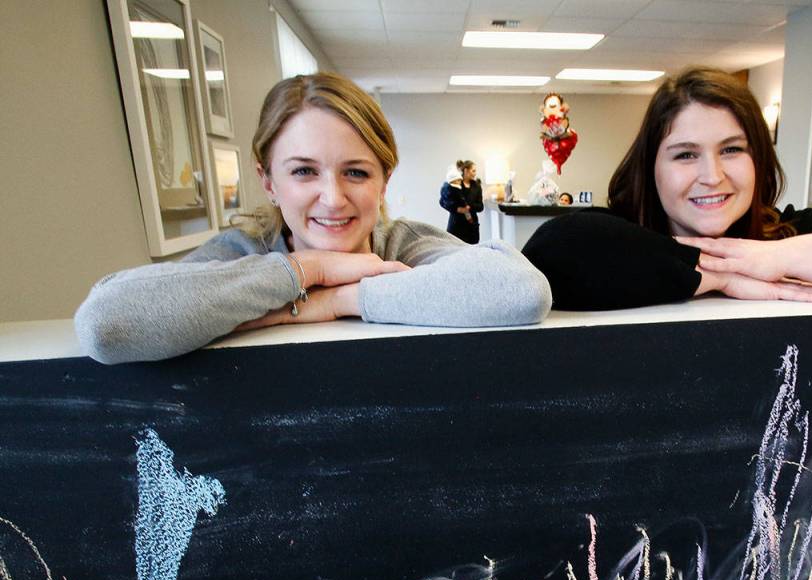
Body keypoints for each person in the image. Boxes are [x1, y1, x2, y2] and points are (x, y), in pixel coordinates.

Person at [76, 75, 550, 364]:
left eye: (356, 172)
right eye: (304, 171)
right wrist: (310, 271)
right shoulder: (244, 252)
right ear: (268, 181)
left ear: (383, 182)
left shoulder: (401, 244)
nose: (333, 197)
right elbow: (106, 323)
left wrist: (335, 301)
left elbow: (519, 290)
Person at [522, 67, 812, 311]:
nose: (712, 175)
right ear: (651, 168)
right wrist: (724, 275)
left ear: (759, 159)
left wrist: (773, 259)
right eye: (685, 154)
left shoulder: (787, 233)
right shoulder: (618, 233)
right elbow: (554, 254)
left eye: (732, 150)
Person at [439, 159, 484, 244]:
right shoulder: (454, 183)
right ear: (466, 170)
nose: (475, 173)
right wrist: (457, 209)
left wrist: (469, 206)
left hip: (471, 227)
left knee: (472, 252)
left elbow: (481, 207)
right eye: (473, 171)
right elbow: (442, 202)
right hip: (456, 226)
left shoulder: (477, 186)